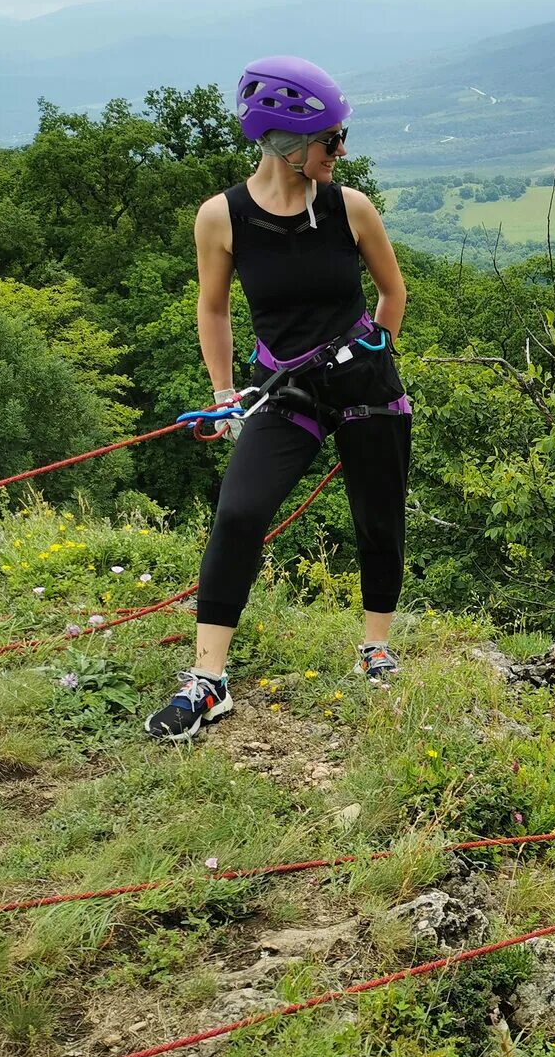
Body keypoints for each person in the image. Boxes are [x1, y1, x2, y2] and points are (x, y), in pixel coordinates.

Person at [146, 55, 410, 740]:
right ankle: (208, 681)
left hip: (364, 384)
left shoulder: (351, 207)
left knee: (377, 518)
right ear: (290, 147)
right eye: (331, 140)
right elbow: (213, 310)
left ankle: (376, 648)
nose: (341, 152)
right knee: (238, 514)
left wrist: (377, 353)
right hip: (282, 390)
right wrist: (225, 392)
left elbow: (392, 292)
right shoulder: (221, 218)